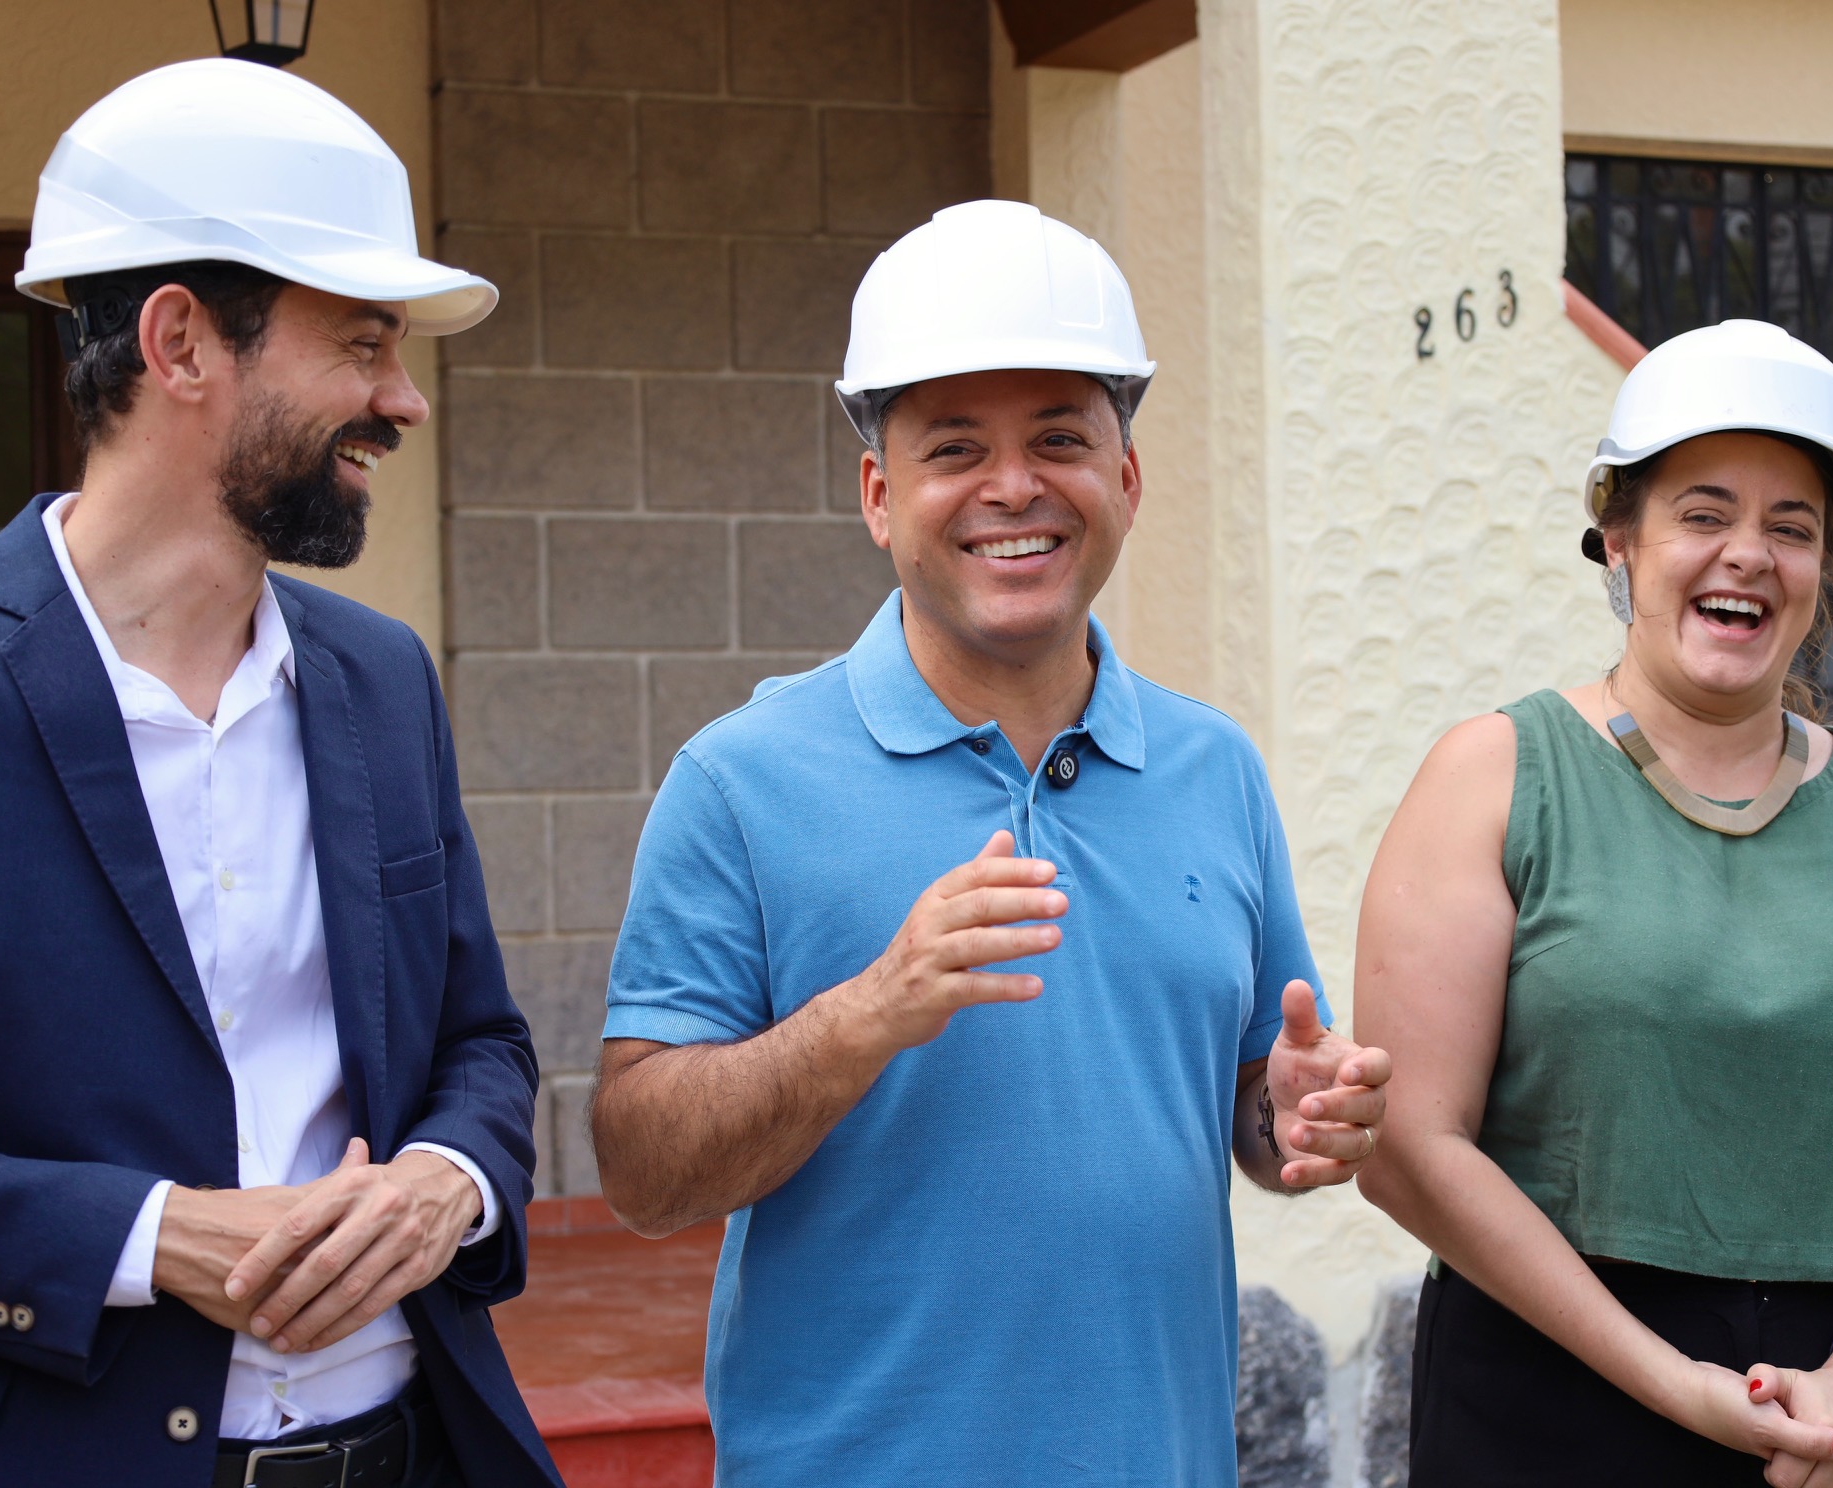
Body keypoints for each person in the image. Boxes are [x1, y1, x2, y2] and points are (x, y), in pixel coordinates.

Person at [0, 62, 561, 1487]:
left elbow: (483, 1047)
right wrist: (149, 1242)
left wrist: (442, 1186)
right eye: (361, 343)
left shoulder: (382, 678)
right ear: (182, 342)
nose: (403, 401)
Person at [590, 199, 1392, 1486]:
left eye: (1061, 439)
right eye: (954, 447)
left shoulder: (1215, 770)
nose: (1013, 487)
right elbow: (641, 1174)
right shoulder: (740, 783)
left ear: (1125, 481)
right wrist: (869, 1012)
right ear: (878, 495)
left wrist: (1285, 1119)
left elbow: (1247, 1107)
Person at [1354, 320, 1833, 1488]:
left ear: (1824, 566)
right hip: (1551, 1408)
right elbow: (1410, 1146)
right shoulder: (1497, 774)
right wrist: (1677, 1385)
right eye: (1702, 515)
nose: (1747, 556)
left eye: (1791, 527)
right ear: (1619, 539)